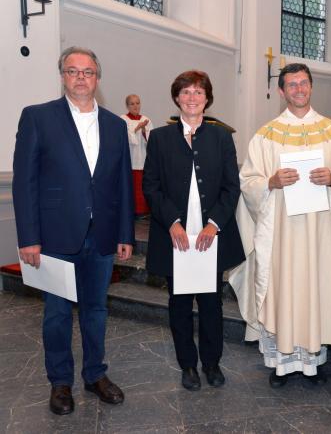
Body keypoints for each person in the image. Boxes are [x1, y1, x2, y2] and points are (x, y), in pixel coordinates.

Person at [13, 46, 134, 415]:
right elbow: (25, 182)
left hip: (101, 237)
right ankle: (60, 382)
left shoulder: (115, 125)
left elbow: (123, 184)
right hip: (54, 237)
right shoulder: (38, 117)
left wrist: (125, 234)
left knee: (96, 310)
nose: (81, 77)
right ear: (63, 76)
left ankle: (96, 375)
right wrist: (29, 238)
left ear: (98, 78)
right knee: (57, 314)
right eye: (73, 71)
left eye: (88, 72)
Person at [229, 63, 331, 387]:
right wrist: (270, 181)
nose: (298, 89)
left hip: (321, 233)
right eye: (292, 85)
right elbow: (248, 181)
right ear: (281, 91)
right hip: (281, 232)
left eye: (303, 83)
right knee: (284, 288)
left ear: (311, 87)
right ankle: (281, 362)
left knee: (316, 286)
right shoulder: (266, 135)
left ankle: (315, 359)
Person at [142, 70, 244, 392]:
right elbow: (151, 186)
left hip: (211, 236)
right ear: (176, 98)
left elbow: (231, 187)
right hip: (176, 238)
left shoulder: (221, 137)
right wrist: (172, 221)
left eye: (198, 92)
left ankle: (212, 363)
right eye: (185, 92)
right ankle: (188, 364)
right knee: (180, 304)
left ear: (207, 99)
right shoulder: (159, 138)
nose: (191, 98)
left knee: (212, 303)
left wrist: (214, 224)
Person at [121, 94, 153, 216]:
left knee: (142, 186)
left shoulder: (146, 119)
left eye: (137, 103)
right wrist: (136, 129)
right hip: (130, 158)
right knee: (131, 186)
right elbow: (125, 138)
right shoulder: (123, 119)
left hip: (143, 158)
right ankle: (131, 211)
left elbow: (151, 139)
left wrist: (144, 131)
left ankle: (143, 211)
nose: (136, 106)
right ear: (127, 106)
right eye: (132, 103)